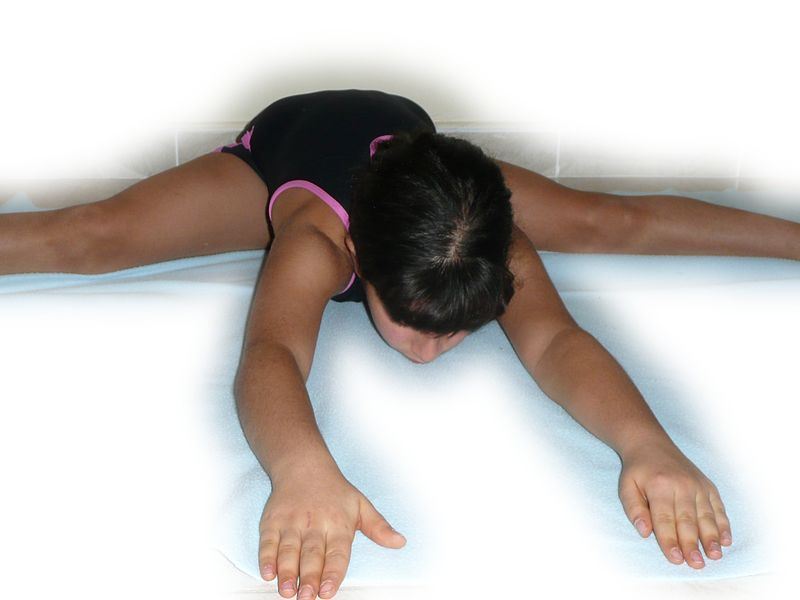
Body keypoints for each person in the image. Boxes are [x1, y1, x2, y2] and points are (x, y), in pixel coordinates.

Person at [2, 88, 798, 600]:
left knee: (603, 221)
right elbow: (272, 354)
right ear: (359, 262)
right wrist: (303, 468)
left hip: (422, 165)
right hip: (287, 148)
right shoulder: (319, 240)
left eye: (458, 331)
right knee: (92, 235)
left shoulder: (486, 236)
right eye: (413, 324)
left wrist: (648, 444)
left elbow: (557, 338)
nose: (427, 353)